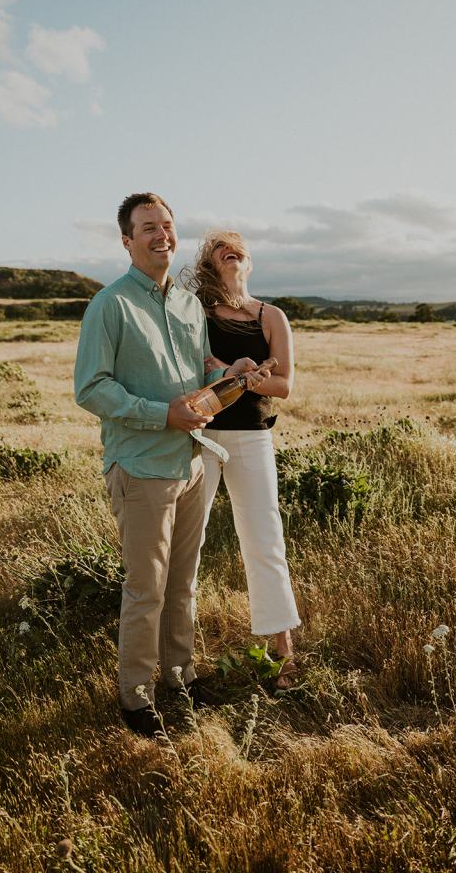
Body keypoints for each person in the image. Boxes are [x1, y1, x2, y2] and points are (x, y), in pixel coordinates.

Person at [74, 194, 264, 737]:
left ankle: (180, 676)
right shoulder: (109, 305)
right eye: (147, 228)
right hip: (141, 467)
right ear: (127, 240)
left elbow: (198, 363)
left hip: (192, 463)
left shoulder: (185, 302)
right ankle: (136, 698)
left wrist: (231, 369)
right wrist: (163, 414)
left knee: (184, 583)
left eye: (167, 226)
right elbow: (91, 388)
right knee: (146, 588)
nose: (161, 235)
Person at [184, 230, 301, 687]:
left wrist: (248, 382)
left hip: (252, 437)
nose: (230, 250)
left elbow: (284, 385)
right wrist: (232, 373)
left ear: (248, 263)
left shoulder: (271, 316)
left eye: (238, 247)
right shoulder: (196, 312)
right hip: (201, 435)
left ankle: (283, 653)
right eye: (219, 247)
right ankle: (180, 659)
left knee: (264, 539)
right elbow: (195, 365)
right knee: (187, 541)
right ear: (210, 264)